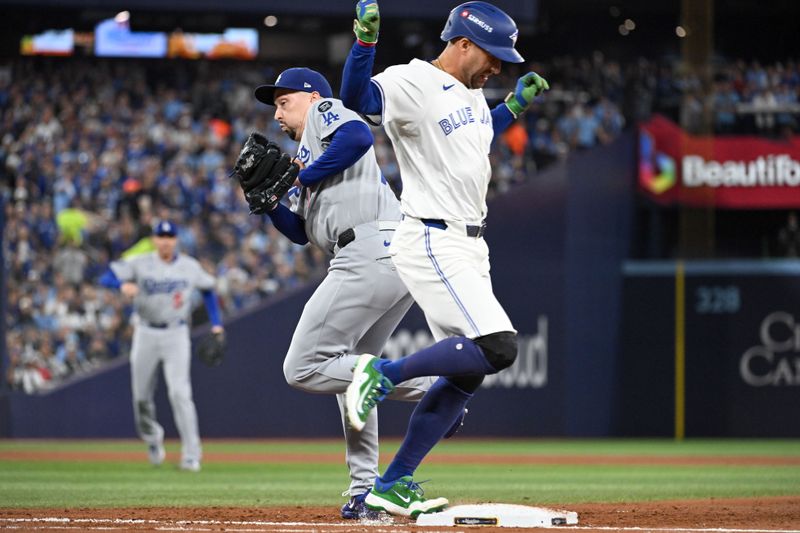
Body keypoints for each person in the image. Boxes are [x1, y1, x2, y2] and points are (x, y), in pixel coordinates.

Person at [340, 0, 549, 517]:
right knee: (499, 347)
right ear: (461, 43)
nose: (500, 65)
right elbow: (356, 99)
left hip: (471, 243)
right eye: (493, 55)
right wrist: (365, 44)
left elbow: (471, 139)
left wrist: (513, 108)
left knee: (467, 372)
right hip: (433, 238)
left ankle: (392, 483)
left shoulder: (476, 93)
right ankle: (382, 375)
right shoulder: (413, 81)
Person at [245, 67, 463, 519]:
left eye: (284, 102)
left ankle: (430, 386)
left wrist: (300, 179)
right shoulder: (308, 154)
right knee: (351, 380)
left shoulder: (329, 112)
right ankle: (368, 487)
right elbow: (302, 233)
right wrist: (268, 205)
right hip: (383, 254)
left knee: (303, 367)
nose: (278, 113)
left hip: (369, 250)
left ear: (310, 97)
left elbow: (359, 138)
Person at [100, 220, 224, 472]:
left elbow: (209, 290)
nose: (165, 240)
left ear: (176, 239)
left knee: (180, 393)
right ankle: (153, 438)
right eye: (161, 236)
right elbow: (106, 276)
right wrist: (120, 284)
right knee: (141, 398)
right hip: (145, 331)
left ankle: (191, 455)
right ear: (155, 240)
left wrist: (216, 324)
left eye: (170, 236)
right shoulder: (140, 262)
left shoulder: (189, 266)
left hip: (177, 332)